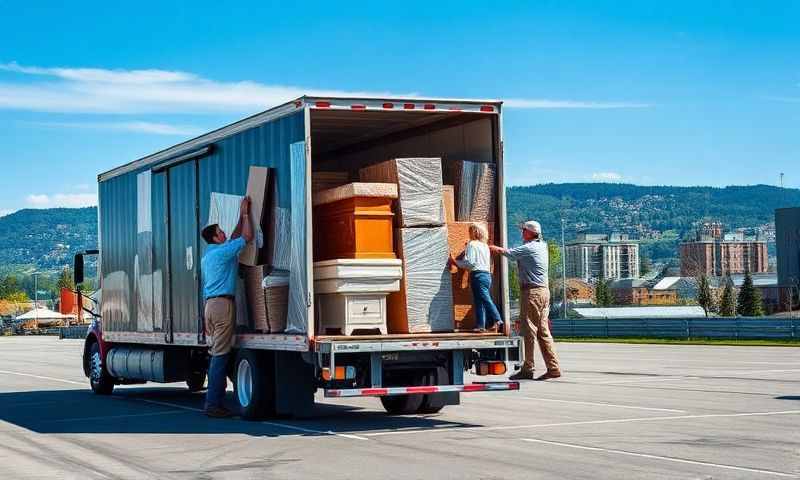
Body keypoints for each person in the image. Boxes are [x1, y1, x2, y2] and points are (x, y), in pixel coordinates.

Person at [200, 196, 253, 417]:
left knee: (217, 352)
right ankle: (213, 404)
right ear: (214, 238)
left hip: (210, 307)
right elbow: (247, 237)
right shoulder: (223, 253)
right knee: (220, 356)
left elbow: (234, 237)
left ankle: (215, 400)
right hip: (223, 306)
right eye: (220, 232)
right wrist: (247, 215)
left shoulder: (209, 256)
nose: (224, 233)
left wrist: (241, 217)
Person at [489, 220, 561, 381]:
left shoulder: (530, 248)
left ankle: (528, 368)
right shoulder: (542, 245)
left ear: (530, 232)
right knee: (543, 332)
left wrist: (493, 248)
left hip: (532, 292)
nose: (522, 233)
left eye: (524, 230)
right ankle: (553, 367)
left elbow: (509, 253)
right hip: (543, 291)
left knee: (528, 331)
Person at [448, 223, 503, 333]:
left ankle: (497, 320)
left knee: (484, 298)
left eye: (470, 231)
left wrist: (455, 262)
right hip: (486, 275)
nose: (469, 233)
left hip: (477, 275)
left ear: (474, 232)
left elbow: (470, 263)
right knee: (479, 300)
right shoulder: (485, 246)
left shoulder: (472, 244)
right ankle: (480, 325)